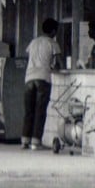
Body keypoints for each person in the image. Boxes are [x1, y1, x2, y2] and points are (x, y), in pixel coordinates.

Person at [22, 18, 62, 150]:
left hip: (29, 79)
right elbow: (58, 64)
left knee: (29, 111)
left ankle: (25, 140)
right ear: (53, 31)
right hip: (43, 79)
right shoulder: (53, 43)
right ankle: (35, 142)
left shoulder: (33, 42)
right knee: (40, 111)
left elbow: (29, 58)